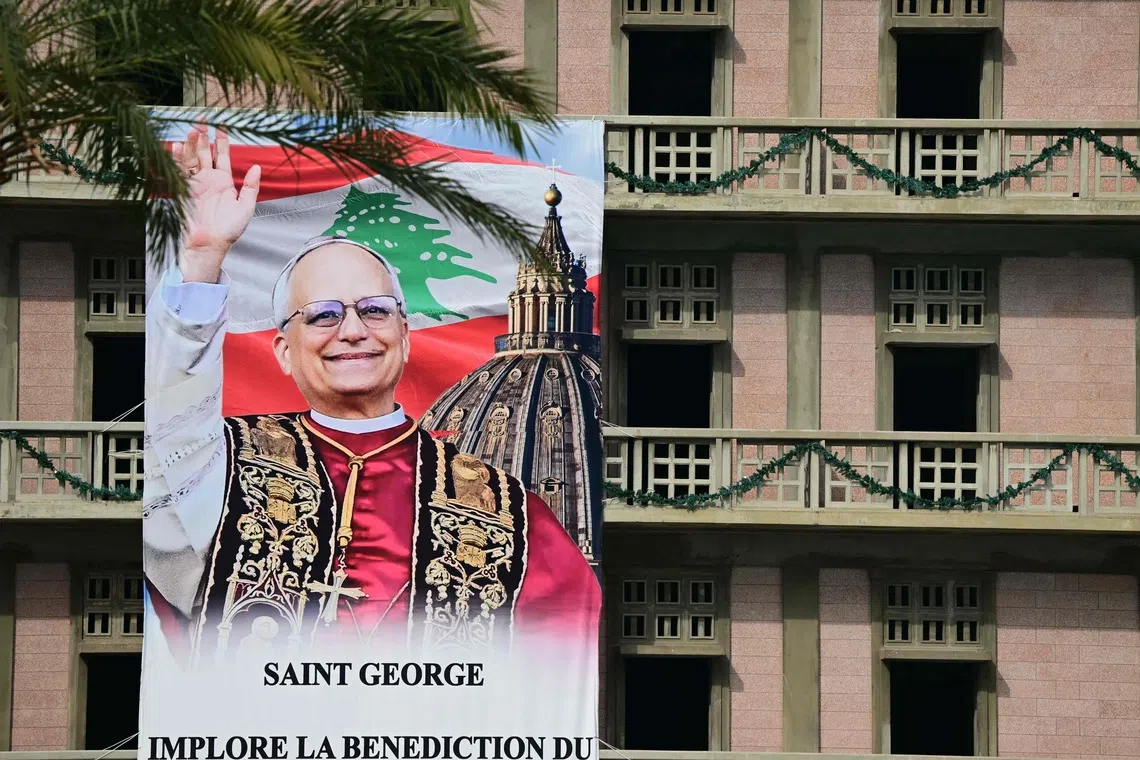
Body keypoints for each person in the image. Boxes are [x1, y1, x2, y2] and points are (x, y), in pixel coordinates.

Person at [143, 124, 600, 666]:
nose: (354, 331)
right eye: (323, 315)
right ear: (284, 351)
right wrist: (201, 264)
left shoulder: (513, 515)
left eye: (375, 310)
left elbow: (565, 674)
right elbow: (173, 430)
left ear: (405, 339)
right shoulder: (221, 468)